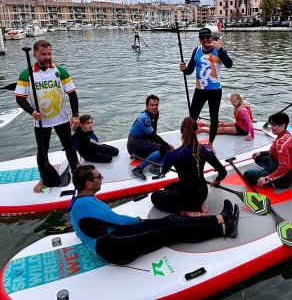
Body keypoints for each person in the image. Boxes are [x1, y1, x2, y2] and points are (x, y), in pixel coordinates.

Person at [69, 165, 239, 265]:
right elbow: (117, 220)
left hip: (113, 240)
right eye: (99, 176)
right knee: (174, 228)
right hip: (116, 248)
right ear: (88, 183)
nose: (102, 177)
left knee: (171, 220)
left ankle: (220, 218)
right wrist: (138, 220)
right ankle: (225, 228)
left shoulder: (79, 201)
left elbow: (83, 229)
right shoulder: (85, 204)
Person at [14, 39, 80, 193]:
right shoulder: (26, 74)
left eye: (49, 53)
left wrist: (75, 115)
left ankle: (75, 169)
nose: (47, 57)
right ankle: (43, 177)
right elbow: (19, 98)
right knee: (42, 150)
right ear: (35, 54)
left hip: (61, 118)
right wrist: (32, 112)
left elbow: (72, 94)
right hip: (41, 121)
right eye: (43, 54)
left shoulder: (60, 71)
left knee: (69, 146)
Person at [151, 117, 228, 216]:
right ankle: (200, 203)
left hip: (186, 198)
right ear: (197, 131)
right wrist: (216, 180)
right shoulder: (205, 149)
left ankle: (187, 211)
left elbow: (164, 171)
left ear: (182, 132)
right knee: (168, 187)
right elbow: (223, 172)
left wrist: (163, 167)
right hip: (203, 194)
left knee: (155, 196)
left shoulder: (172, 154)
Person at [179, 27, 233, 150]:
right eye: (202, 38)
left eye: (207, 37)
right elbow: (189, 71)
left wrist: (220, 49)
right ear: (200, 40)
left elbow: (229, 65)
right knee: (192, 118)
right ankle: (191, 142)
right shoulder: (196, 50)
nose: (205, 40)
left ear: (212, 38)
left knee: (214, 118)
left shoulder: (219, 51)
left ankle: (210, 144)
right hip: (200, 90)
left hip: (214, 91)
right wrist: (184, 69)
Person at [243, 112, 292, 188]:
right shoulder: (287, 136)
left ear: (283, 125)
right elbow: (277, 152)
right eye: (271, 124)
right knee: (258, 157)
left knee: (247, 174)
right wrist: (261, 153)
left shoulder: (281, 144)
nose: (271, 127)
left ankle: (269, 173)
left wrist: (267, 178)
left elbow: (285, 167)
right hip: (281, 166)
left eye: (274, 125)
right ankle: (270, 170)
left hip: (283, 179)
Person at [127, 94, 174, 180]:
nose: (154, 107)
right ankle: (138, 169)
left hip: (143, 141)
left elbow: (153, 130)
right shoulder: (144, 117)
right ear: (147, 106)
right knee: (163, 149)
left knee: (166, 151)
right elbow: (153, 135)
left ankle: (156, 167)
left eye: (156, 105)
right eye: (152, 105)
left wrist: (154, 142)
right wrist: (167, 145)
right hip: (134, 143)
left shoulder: (156, 113)